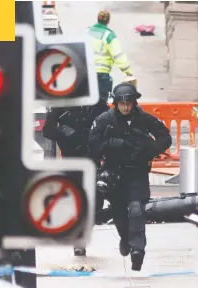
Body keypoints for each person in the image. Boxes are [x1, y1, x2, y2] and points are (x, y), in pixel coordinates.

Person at [89, 82, 172, 271]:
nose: (125, 107)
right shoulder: (104, 120)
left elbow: (165, 138)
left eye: (129, 103)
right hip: (114, 173)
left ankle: (138, 250)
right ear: (116, 103)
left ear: (134, 102)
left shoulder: (144, 119)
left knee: (136, 209)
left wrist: (149, 149)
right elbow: (93, 145)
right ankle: (126, 240)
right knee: (119, 213)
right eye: (122, 103)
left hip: (137, 171)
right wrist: (111, 143)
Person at [42, 99, 109, 256]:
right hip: (71, 160)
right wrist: (63, 131)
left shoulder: (98, 104)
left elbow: (111, 125)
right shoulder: (61, 104)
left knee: (96, 200)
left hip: (92, 158)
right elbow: (48, 130)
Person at [87, 10, 133, 102]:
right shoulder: (109, 36)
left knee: (87, 101)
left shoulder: (87, 32)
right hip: (101, 74)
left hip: (86, 72)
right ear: (108, 21)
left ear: (97, 19)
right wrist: (128, 71)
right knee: (101, 102)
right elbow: (118, 55)